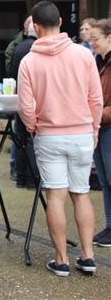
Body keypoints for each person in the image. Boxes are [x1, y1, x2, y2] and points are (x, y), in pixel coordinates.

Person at [18, 0, 103, 277]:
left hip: (49, 134)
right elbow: (96, 98)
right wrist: (94, 129)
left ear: (36, 26)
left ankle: (62, 259)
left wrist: (33, 127)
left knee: (55, 196)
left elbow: (26, 106)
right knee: (81, 194)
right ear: (61, 23)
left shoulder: (29, 60)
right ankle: (88, 256)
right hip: (81, 133)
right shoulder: (83, 55)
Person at [89, 18, 111, 247]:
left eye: (95, 38)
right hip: (98, 125)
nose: (91, 42)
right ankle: (109, 226)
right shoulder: (98, 62)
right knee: (104, 180)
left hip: (106, 126)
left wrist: (98, 114)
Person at [10, 18, 39, 189]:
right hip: (32, 98)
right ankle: (31, 179)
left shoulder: (19, 46)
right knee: (29, 139)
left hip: (20, 97)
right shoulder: (35, 49)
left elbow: (12, 71)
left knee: (19, 136)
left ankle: (20, 176)